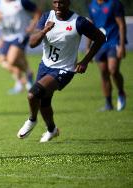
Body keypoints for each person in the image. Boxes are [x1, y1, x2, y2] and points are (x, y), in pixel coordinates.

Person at [17, 0, 105, 142]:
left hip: (65, 69)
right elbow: (32, 43)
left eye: (61, 2)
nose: (58, 5)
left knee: (33, 95)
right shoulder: (47, 17)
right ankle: (52, 130)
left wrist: (85, 61)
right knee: (45, 102)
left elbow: (100, 38)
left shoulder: (79, 22)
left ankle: (32, 120)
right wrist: (45, 30)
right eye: (55, 2)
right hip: (45, 66)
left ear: (68, 2)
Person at [0, 0, 41, 94]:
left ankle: (23, 80)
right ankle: (25, 77)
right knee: (2, 60)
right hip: (6, 37)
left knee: (12, 60)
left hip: (21, 35)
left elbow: (38, 12)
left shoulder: (21, 2)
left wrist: (33, 25)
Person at [87, 0, 127, 111]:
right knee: (104, 72)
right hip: (99, 44)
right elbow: (90, 26)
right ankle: (108, 104)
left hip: (114, 42)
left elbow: (121, 24)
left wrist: (122, 45)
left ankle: (121, 92)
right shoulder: (92, 5)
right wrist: (87, 47)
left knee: (113, 70)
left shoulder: (114, 3)